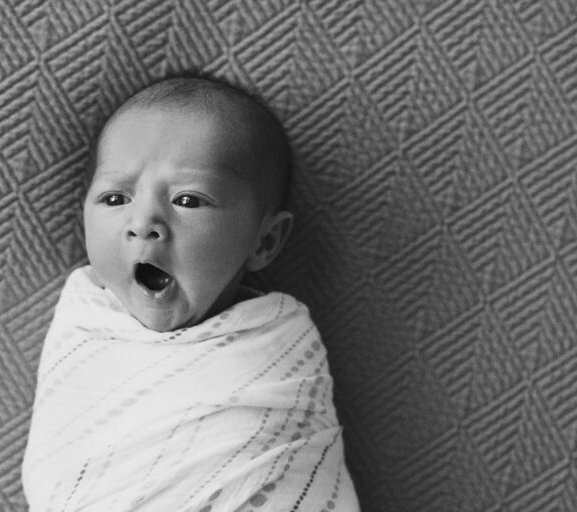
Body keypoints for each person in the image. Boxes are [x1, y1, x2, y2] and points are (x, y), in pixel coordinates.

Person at [22, 74, 360, 511]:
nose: (142, 222)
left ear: (265, 241)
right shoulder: (85, 324)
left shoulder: (279, 350)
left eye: (188, 200)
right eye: (115, 199)